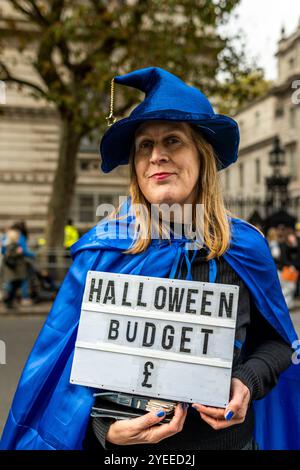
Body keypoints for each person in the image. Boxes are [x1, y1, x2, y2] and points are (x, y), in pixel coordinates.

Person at [1, 67, 299, 451]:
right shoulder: (103, 252)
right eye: (145, 145)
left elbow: (277, 344)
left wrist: (247, 380)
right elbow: (64, 375)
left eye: (173, 141)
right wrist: (103, 430)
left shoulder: (243, 247)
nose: (157, 156)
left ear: (201, 157)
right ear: (137, 168)